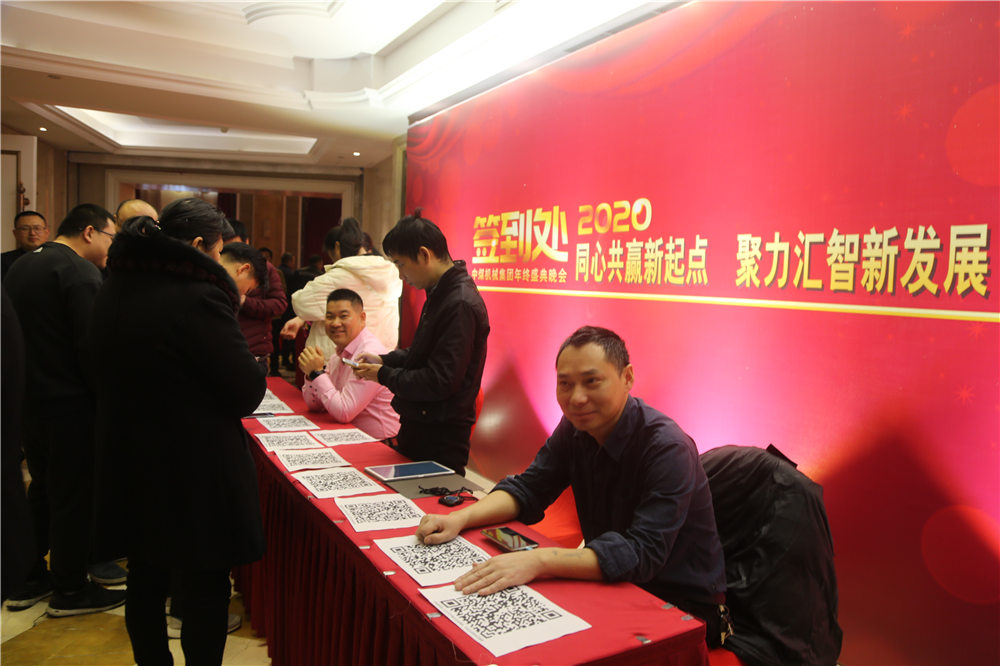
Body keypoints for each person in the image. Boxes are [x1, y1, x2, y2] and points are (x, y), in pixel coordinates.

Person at [415, 326, 729, 647]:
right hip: (614, 585)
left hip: (679, 609)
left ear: (627, 377)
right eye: (565, 384)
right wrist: (459, 519)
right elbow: (529, 488)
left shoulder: (667, 448)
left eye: (592, 381)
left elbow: (642, 553)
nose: (577, 398)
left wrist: (538, 561)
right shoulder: (575, 428)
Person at [88, 198, 266, 666]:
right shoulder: (198, 295)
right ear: (199, 245)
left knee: (145, 578)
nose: (220, 262)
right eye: (219, 251)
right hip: (192, 466)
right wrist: (255, 367)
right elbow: (244, 390)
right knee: (204, 586)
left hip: (131, 456)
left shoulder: (117, 284)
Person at [5, 204, 126, 616]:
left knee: (41, 490)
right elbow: (93, 348)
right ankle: (71, 590)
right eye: (111, 237)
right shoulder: (79, 272)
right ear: (89, 232)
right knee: (73, 497)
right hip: (71, 405)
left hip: (30, 402)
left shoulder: (22, 265)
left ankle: (28, 577)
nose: (112, 246)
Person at [353, 213, 489, 475]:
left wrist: (383, 374)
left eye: (401, 264)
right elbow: (423, 352)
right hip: (421, 423)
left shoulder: (459, 302)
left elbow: (440, 380)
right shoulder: (441, 292)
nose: (401, 274)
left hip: (439, 435)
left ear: (424, 255)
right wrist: (384, 360)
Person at [282, 218, 401, 359]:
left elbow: (301, 303)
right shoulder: (388, 272)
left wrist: (301, 317)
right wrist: (300, 319)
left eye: (331, 254)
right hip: (379, 354)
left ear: (337, 247)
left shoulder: (340, 275)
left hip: (340, 358)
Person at [298, 289, 400, 440]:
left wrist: (317, 374)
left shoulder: (369, 354)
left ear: (362, 318)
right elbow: (315, 406)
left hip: (378, 444)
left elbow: (344, 412)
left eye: (343, 316)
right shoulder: (337, 355)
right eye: (330, 317)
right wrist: (311, 375)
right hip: (349, 437)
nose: (335, 323)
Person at [226, 220, 287, 375]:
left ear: (246, 242)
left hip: (253, 352)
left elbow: (280, 304)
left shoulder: (264, 269)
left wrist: (245, 302)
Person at [1, 210, 49, 278]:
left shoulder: (58, 259)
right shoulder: (3, 261)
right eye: (25, 229)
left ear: (47, 232)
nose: (32, 233)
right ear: (15, 233)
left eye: (37, 228)